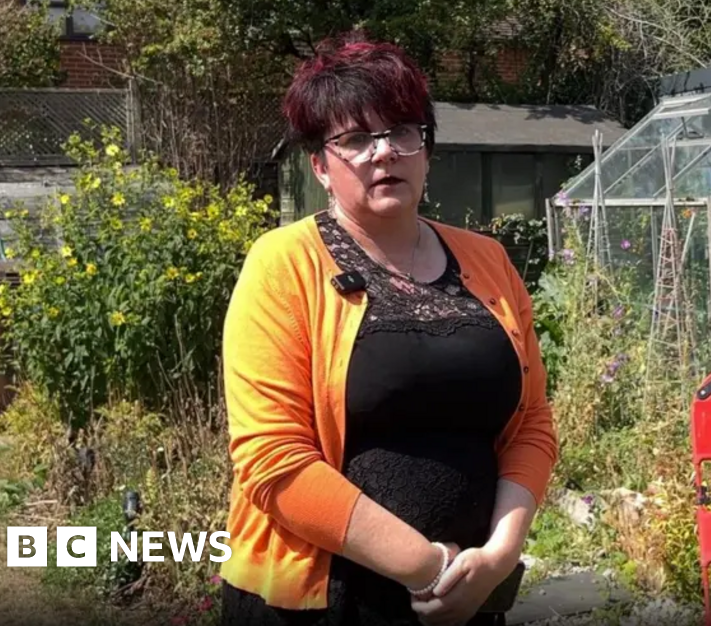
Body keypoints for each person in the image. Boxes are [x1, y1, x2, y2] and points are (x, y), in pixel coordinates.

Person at [217, 32, 559, 626]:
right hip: (323, 604)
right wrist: (426, 566)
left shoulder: (488, 262)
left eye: (402, 132)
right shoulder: (284, 265)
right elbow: (273, 458)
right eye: (354, 139)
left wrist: (498, 557)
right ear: (320, 166)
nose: (384, 153)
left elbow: (531, 424)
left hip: (467, 598)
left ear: (426, 149)